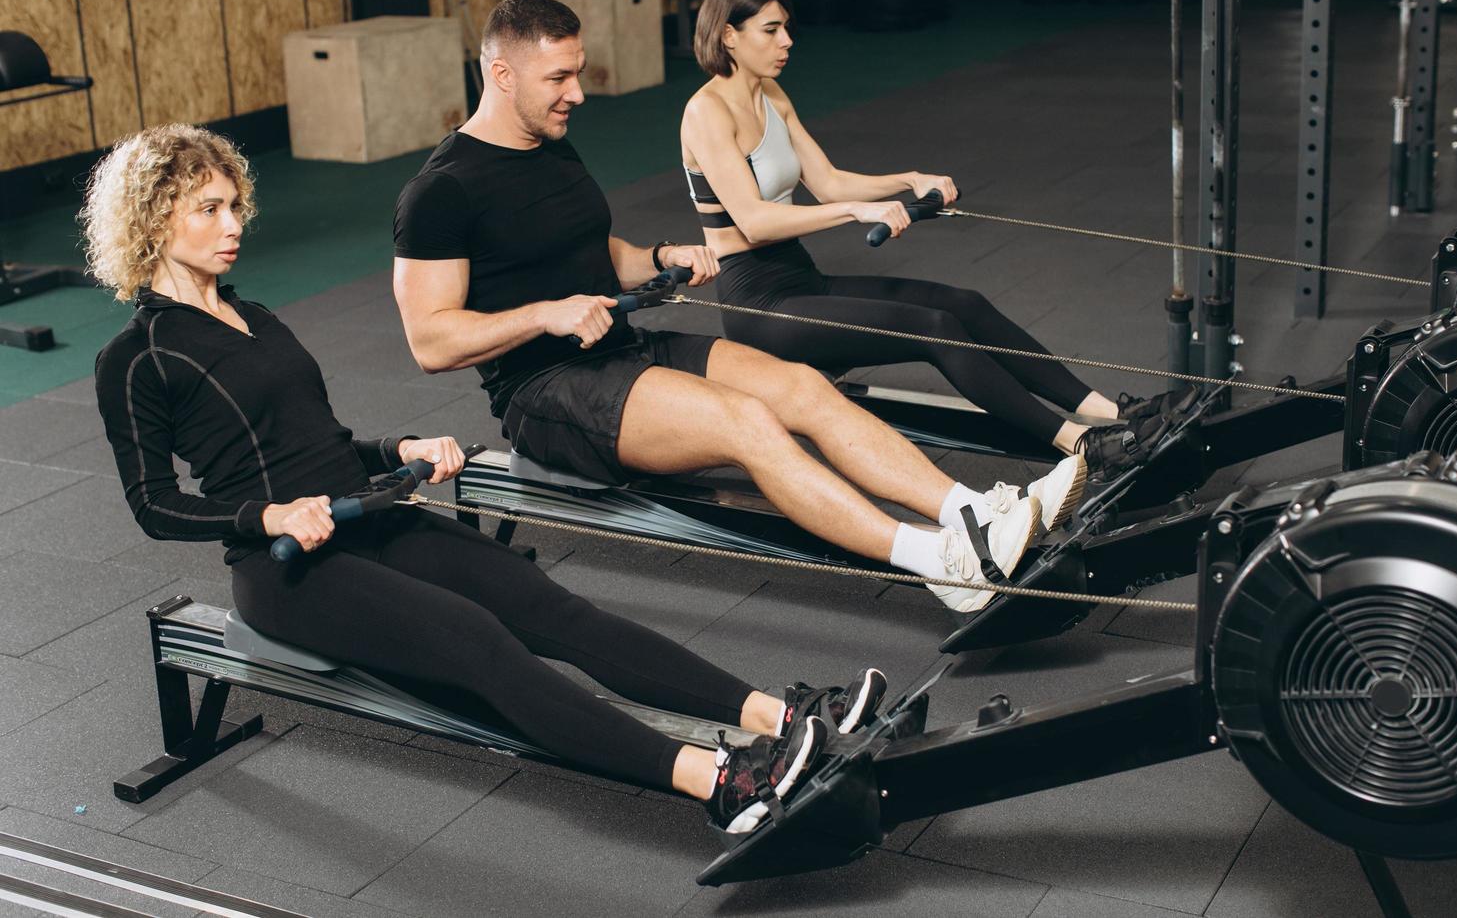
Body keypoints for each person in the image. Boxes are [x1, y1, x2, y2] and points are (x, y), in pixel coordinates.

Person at [87, 123, 886, 835]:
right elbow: (154, 505)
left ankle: (779, 717)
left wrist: (400, 446)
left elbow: (320, 443)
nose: (234, 225)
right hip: (287, 570)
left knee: (557, 611)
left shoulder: (255, 315)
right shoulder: (136, 358)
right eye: (209, 210)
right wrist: (270, 519)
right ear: (156, 221)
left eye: (234, 205)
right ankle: (719, 780)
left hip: (371, 517)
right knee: (483, 645)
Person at [393, 0, 1087, 613]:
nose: (577, 92)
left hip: (622, 347)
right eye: (559, 78)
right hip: (546, 391)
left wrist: (662, 256)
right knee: (749, 423)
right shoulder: (442, 191)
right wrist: (546, 314)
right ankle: (938, 562)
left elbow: (597, 253)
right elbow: (430, 341)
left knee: (802, 388)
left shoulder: (552, 146)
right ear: (502, 74)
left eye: (577, 72)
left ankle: (971, 512)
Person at [678, 0, 1196, 493]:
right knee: (931, 327)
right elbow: (755, 221)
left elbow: (828, 182)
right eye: (770, 30)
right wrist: (860, 212)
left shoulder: (771, 95)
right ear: (728, 35)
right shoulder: (706, 112)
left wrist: (908, 179)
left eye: (786, 27)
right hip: (758, 303)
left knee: (961, 303)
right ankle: (1076, 442)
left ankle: (1112, 411)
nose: (787, 40)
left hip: (800, 279)